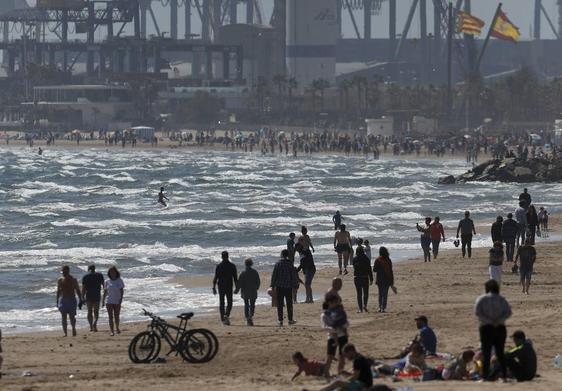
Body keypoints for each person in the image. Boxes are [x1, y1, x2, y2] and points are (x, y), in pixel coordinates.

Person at [475, 279, 512, 381]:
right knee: (500, 353)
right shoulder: (502, 299)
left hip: (486, 328)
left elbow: (478, 313)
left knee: (486, 353)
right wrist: (498, 321)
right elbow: (508, 313)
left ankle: (484, 377)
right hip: (500, 328)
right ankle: (504, 376)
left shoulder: (482, 299)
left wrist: (489, 321)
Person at [322, 294, 349, 376]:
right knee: (330, 355)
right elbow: (325, 327)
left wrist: (342, 328)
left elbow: (346, 323)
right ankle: (326, 372)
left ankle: (340, 371)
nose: (336, 304)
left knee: (342, 355)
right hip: (331, 337)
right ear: (329, 303)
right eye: (334, 302)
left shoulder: (341, 312)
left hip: (342, 335)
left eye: (336, 302)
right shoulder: (325, 314)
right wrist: (334, 329)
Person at [270, 249, 298, 326]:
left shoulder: (278, 264)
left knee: (280, 304)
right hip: (288, 286)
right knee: (289, 304)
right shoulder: (290, 264)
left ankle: (280, 320)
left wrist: (272, 285)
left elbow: (274, 276)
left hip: (279, 286)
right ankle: (290, 320)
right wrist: (295, 285)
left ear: (282, 254)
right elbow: (293, 275)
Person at [212, 251, 238, 325]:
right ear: (228, 256)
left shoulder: (219, 266)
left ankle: (223, 319)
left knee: (222, 302)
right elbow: (235, 278)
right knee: (230, 302)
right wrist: (237, 288)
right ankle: (226, 315)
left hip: (221, 286)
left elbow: (215, 278)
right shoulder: (232, 266)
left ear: (221, 257)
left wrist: (214, 288)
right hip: (229, 286)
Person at [56, 265, 83, 337]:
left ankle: (73, 328)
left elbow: (77, 290)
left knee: (72, 317)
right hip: (63, 300)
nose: (64, 273)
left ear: (68, 271)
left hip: (72, 300)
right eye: (63, 271)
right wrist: (57, 301)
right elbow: (58, 291)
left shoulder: (73, 280)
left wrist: (80, 299)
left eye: (65, 271)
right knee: (63, 317)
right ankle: (65, 332)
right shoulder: (60, 280)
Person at [237, 257, 260, 326]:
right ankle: (251, 316)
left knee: (246, 304)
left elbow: (240, 283)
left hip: (245, 291)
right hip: (253, 290)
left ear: (245, 264)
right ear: (251, 264)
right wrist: (257, 288)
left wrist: (237, 290)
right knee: (252, 305)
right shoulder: (255, 272)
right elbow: (258, 281)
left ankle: (247, 318)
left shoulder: (243, 273)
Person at [81, 264, 104, 332]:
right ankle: (95, 323)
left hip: (89, 295)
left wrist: (82, 297)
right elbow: (104, 285)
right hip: (97, 294)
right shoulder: (99, 275)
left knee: (89, 311)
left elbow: (84, 288)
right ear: (94, 268)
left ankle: (91, 326)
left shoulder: (85, 276)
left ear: (88, 269)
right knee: (96, 311)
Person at [103, 266, 124, 336]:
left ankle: (117, 328)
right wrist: (103, 300)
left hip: (117, 300)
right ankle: (112, 331)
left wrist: (121, 299)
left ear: (116, 272)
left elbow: (121, 291)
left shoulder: (119, 280)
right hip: (109, 301)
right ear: (109, 273)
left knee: (116, 316)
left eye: (113, 271)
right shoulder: (107, 281)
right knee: (110, 317)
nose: (112, 273)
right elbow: (105, 292)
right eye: (111, 272)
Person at [373, 246, 395, 313]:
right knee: (385, 294)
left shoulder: (377, 260)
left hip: (380, 279)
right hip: (387, 279)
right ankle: (383, 308)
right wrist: (392, 280)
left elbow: (374, 270)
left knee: (380, 294)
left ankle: (380, 307)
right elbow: (391, 271)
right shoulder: (388, 260)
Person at [351, 246, 373, 313]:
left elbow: (354, 267)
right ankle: (365, 305)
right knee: (366, 293)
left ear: (357, 251)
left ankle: (360, 309)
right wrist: (371, 278)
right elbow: (369, 269)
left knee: (359, 294)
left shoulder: (354, 259)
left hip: (357, 277)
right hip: (365, 277)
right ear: (363, 251)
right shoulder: (366, 258)